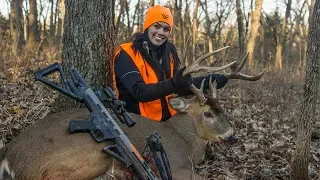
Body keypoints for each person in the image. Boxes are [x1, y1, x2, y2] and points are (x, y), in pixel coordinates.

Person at [113, 5, 228, 121]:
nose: (161, 32)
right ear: (147, 26)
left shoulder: (169, 53)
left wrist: (209, 82)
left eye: (166, 29)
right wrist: (174, 83)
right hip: (136, 122)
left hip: (168, 121)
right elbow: (140, 92)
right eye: (156, 26)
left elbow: (177, 85)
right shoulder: (126, 54)